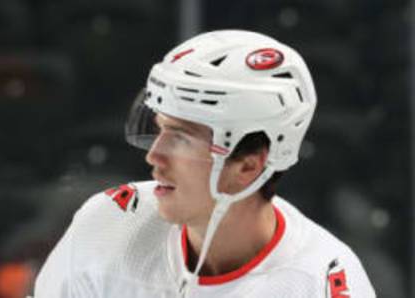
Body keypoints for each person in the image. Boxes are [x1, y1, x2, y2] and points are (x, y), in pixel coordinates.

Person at [32, 30, 376, 297]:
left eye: (181, 138)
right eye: (160, 129)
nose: (154, 156)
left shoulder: (321, 282)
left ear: (248, 167)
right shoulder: (109, 224)